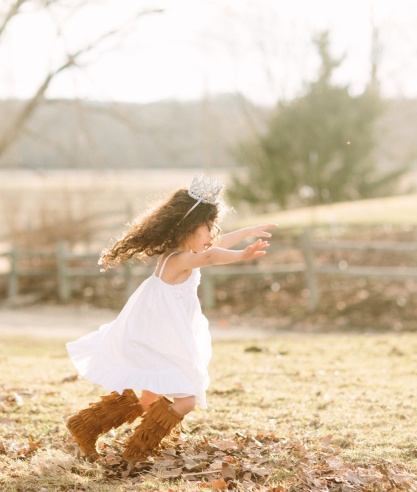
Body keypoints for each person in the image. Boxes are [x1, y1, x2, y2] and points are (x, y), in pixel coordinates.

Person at [65, 174, 276, 462]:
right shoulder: (180, 259)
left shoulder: (181, 251)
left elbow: (213, 246)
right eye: (209, 227)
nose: (213, 233)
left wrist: (246, 232)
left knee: (149, 397)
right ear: (189, 228)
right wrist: (241, 256)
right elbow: (211, 256)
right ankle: (136, 454)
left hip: (161, 337)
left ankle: (85, 426)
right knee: (186, 399)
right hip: (161, 340)